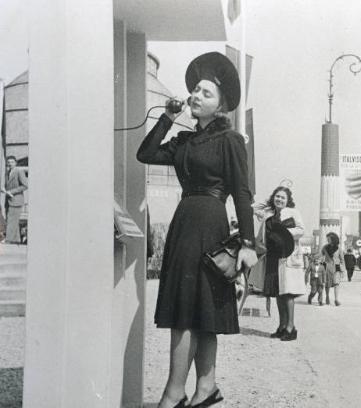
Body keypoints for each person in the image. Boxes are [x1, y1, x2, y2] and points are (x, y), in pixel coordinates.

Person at [137, 53, 258, 408]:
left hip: (211, 224)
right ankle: (207, 387)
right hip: (185, 224)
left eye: (205, 92)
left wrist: (248, 243)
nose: (195, 95)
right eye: (194, 90)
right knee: (196, 310)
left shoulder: (231, 140)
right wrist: (167, 118)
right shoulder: (184, 141)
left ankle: (174, 394)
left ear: (220, 105)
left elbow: (242, 193)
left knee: (192, 311)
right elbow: (145, 154)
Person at [253, 186, 305, 341]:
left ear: (288, 200)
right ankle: (282, 326)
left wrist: (284, 233)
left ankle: (291, 327)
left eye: (283, 197)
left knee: (288, 293)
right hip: (273, 257)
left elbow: (301, 230)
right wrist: (268, 202)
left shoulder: (293, 212)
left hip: (287, 255)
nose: (279, 200)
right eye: (277, 196)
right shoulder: (267, 213)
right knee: (278, 293)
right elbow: (253, 207)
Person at [1, 156, 28, 244]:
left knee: (11, 220)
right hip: (9, 201)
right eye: (8, 162)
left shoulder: (19, 171)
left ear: (16, 163)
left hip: (16, 200)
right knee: (13, 220)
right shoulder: (8, 172)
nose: (10, 164)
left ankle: (8, 239)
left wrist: (11, 192)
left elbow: (25, 185)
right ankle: (16, 240)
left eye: (12, 162)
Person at [321, 232, 346, 306]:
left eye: (328, 239)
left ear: (333, 239)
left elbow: (342, 260)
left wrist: (343, 271)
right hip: (327, 267)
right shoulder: (325, 247)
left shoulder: (339, 249)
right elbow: (321, 255)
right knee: (327, 283)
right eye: (327, 239)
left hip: (336, 268)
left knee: (336, 284)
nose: (327, 240)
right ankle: (327, 297)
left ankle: (336, 299)